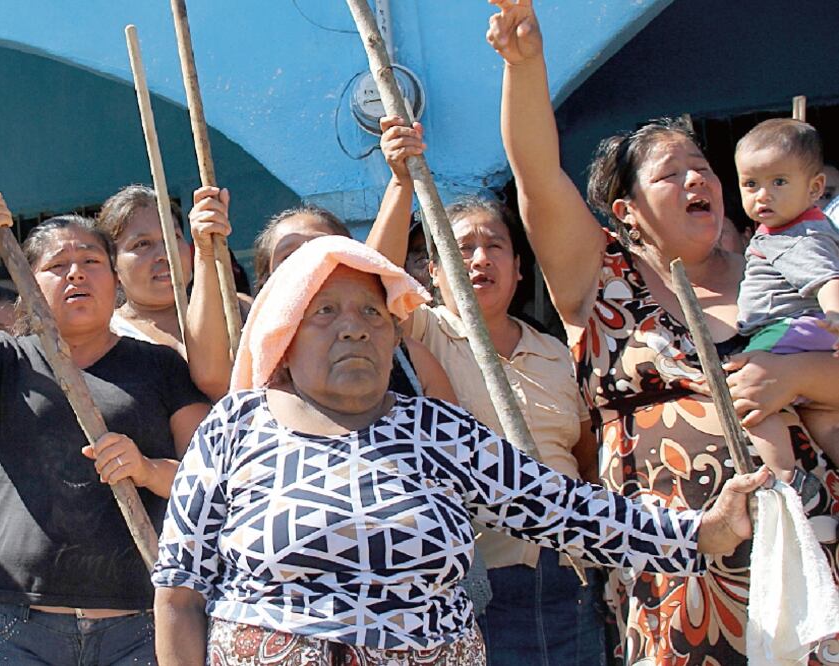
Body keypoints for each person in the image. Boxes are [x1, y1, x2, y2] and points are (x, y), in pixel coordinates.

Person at [151, 235, 772, 666]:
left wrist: (700, 535)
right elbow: (179, 592)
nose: (353, 327)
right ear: (283, 337)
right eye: (325, 312)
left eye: (372, 310)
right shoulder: (236, 426)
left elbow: (566, 510)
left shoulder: (441, 430)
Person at [488, 2, 839, 662]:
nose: (696, 178)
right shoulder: (600, 283)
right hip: (680, 577)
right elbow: (536, 175)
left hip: (813, 556)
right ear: (625, 211)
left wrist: (796, 375)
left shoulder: (779, 261)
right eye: (670, 173)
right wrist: (524, 65)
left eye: (701, 167)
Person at [0, 187, 211, 665]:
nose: (76, 273)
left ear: (115, 280)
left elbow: (209, 481)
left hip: (137, 619)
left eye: (91, 260)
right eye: (55, 266)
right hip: (19, 619)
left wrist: (148, 469)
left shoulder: (160, 366)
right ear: (27, 286)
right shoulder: (5, 358)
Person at [369, 118, 605, 664]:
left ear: (519, 269)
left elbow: (588, 460)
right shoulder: (424, 332)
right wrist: (401, 182)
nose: (480, 259)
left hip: (574, 578)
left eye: (494, 246)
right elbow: (373, 282)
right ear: (433, 272)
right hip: (483, 586)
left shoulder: (555, 353)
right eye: (463, 248)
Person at [192, 192, 458, 403]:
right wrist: (205, 253)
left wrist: (401, 179)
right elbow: (211, 374)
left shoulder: (409, 360)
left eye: (325, 252)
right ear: (267, 287)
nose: (311, 265)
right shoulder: (256, 370)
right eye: (290, 256)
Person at [733, 119, 839, 476]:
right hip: (807, 337)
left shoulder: (791, 236)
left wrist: (836, 315)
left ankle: (782, 479)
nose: (763, 195)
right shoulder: (805, 228)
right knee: (824, 419)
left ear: (815, 188)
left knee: (748, 392)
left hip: (787, 330)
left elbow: (827, 280)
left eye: (778, 182)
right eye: (751, 184)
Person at [97, 184, 248, 401]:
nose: (164, 254)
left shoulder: (240, 309)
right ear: (113, 264)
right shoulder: (108, 337)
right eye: (142, 244)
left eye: (173, 237)